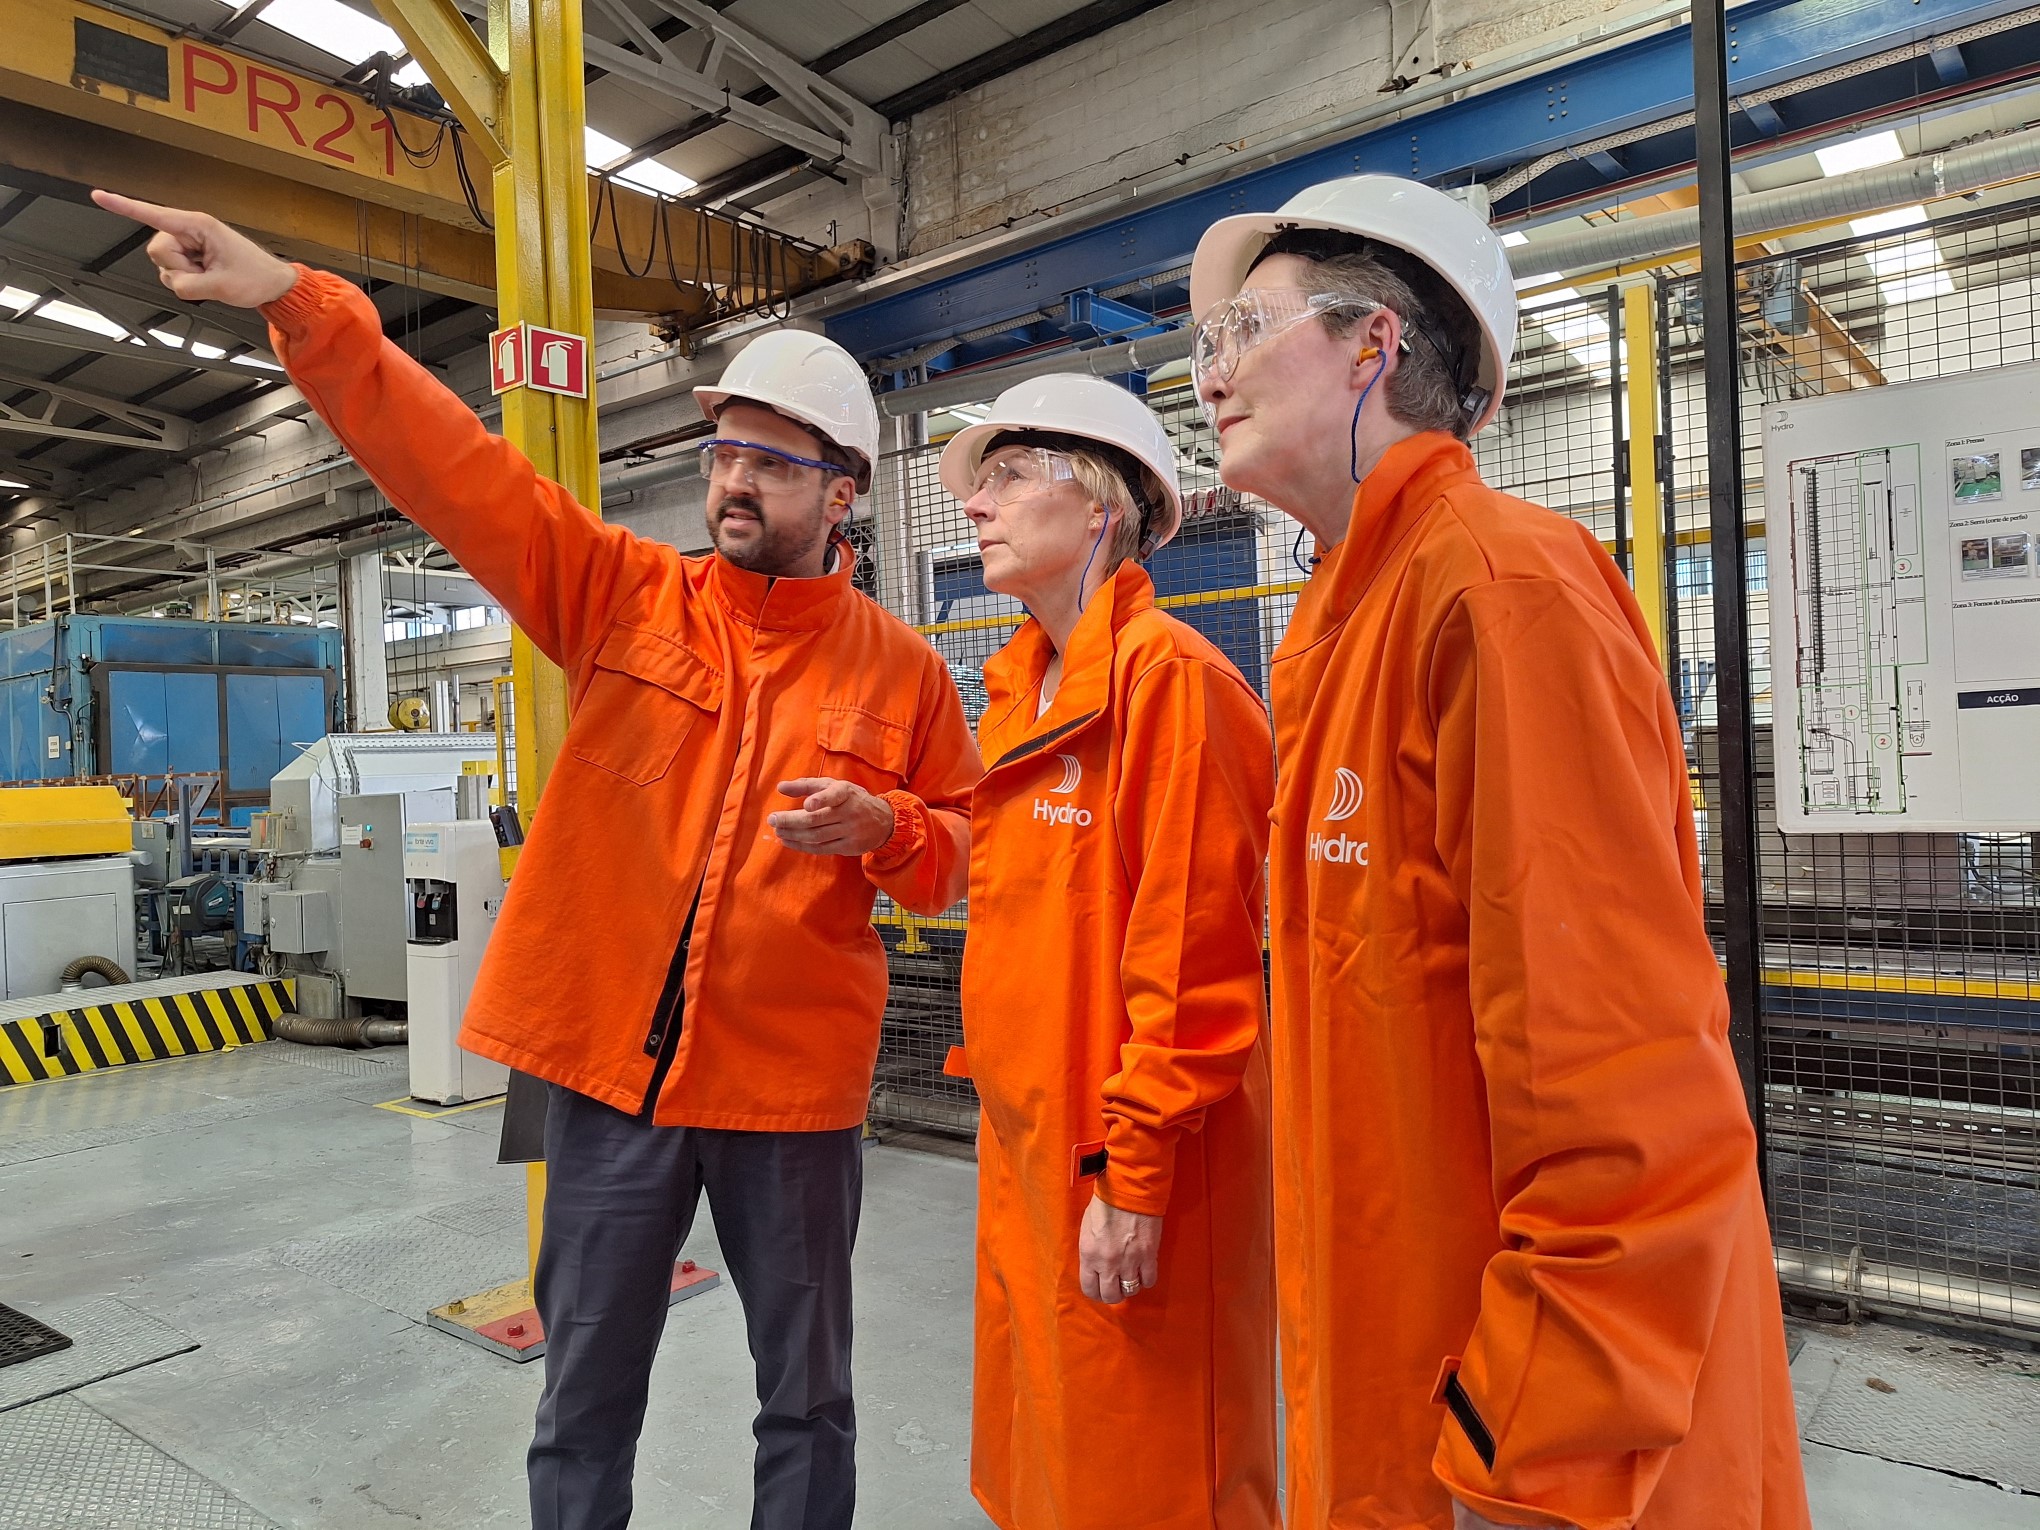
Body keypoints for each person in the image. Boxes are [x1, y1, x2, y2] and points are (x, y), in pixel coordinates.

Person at [94, 189, 980, 1530]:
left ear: (841, 488)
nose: (732, 481)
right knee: (584, 1396)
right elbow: (454, 467)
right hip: (612, 1081)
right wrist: (291, 298)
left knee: (808, 1396)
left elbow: (963, 857)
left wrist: (891, 829)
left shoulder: (903, 673)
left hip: (789, 1097)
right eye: (723, 451)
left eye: (771, 460)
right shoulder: (623, 594)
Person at [1187, 175, 1813, 1529]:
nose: (1210, 375)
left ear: (1373, 344)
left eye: (1245, 331)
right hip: (1411, 1385)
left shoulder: (1497, 588)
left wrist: (1537, 1438)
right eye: (1207, 345)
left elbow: (1621, 1069)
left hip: (1538, 1455)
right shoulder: (1346, 626)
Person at [939, 375, 1279, 1529]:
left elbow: (1192, 966)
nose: (976, 506)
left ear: (1101, 507)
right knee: (1050, 1456)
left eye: (1008, 477)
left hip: (1133, 1167)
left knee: (1155, 1471)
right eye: (981, 483)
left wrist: (1131, 1179)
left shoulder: (1171, 685)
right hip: (1031, 1154)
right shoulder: (1020, 700)